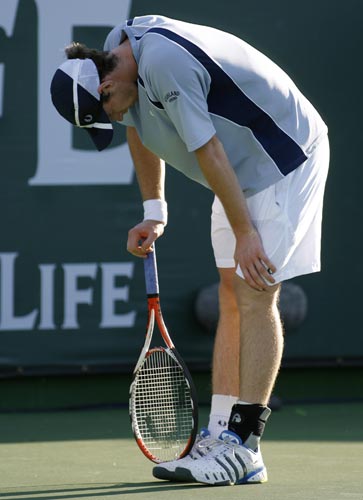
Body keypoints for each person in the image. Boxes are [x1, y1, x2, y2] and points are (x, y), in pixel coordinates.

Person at [50, 14, 329, 486]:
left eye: (108, 110)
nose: (114, 119)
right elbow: (138, 127)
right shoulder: (121, 59)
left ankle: (244, 446)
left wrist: (245, 232)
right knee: (230, 293)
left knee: (256, 291)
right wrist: (154, 208)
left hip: (284, 160)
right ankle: (220, 433)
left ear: (104, 83)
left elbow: (210, 150)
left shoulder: (163, 63)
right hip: (241, 172)